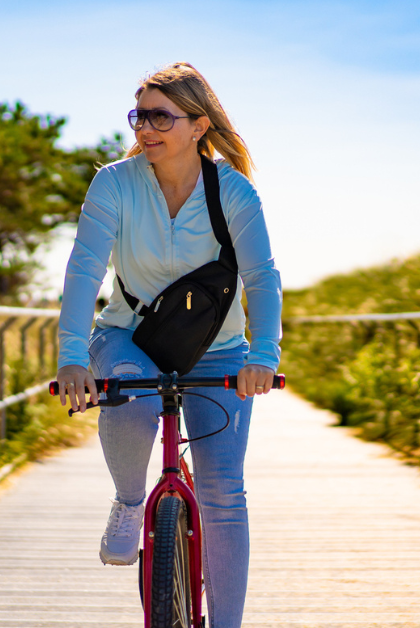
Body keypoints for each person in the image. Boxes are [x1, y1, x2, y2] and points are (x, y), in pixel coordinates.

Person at [54, 62, 282, 628]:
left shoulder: (233, 191)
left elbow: (262, 276)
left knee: (224, 495)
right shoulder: (114, 182)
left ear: (199, 124)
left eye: (161, 116)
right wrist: (73, 356)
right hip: (128, 336)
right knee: (134, 400)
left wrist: (263, 356)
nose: (145, 129)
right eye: (139, 116)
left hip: (221, 348)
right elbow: (85, 270)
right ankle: (131, 502)